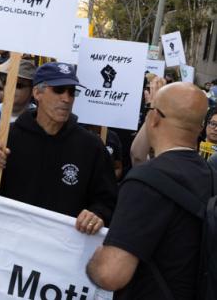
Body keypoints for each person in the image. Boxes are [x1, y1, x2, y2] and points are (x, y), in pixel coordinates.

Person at [86, 82, 213, 298]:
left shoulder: (145, 182)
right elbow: (137, 153)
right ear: (201, 127)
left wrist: (96, 258)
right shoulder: (210, 175)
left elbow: (110, 274)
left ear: (153, 119)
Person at [0, 62, 117, 234]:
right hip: (10, 243)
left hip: (63, 250)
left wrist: (97, 214)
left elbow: (108, 200)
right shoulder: (6, 139)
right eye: (59, 90)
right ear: (37, 93)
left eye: (72, 92)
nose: (67, 98)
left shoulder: (91, 147)